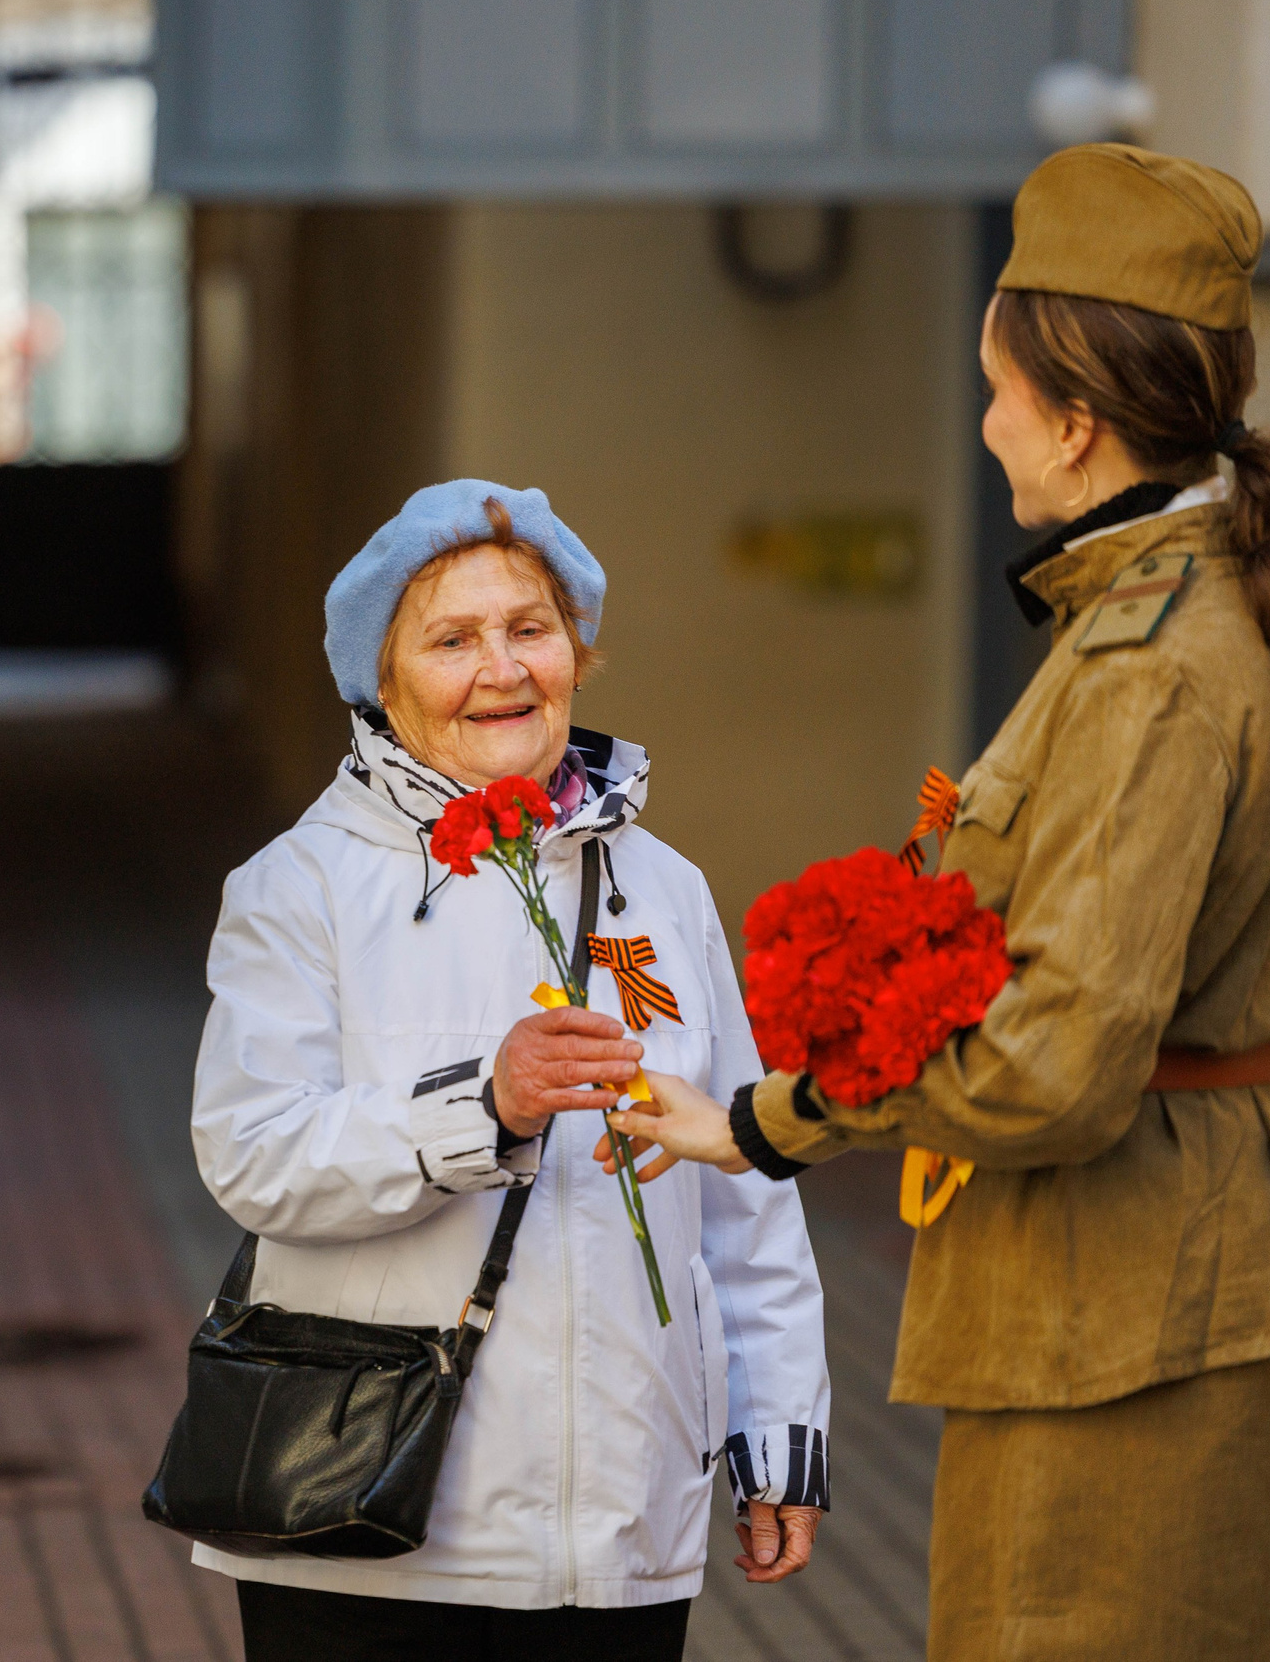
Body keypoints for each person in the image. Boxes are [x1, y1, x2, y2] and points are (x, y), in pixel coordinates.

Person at [614, 145, 1270, 1660]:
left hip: (1134, 1311)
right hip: (1162, 1285)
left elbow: (1059, 1061)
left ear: (1077, 416)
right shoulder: (1182, 607)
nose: (984, 425)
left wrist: (771, 1118)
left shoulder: (1153, 665)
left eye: (996, 390)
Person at [188, 479, 832, 1660]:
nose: (501, 668)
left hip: (621, 1518)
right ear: (381, 684)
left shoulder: (664, 886)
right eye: (451, 640)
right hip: (374, 1514)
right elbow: (253, 1153)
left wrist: (777, 1432)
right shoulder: (303, 885)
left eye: (528, 629)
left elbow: (739, 1182)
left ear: (577, 652)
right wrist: (482, 1109)